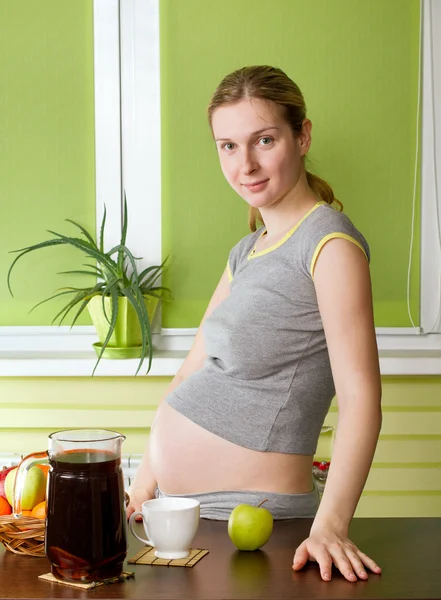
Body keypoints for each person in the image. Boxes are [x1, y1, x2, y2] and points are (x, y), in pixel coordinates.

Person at [127, 65, 383, 583]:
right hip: (182, 516)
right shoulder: (248, 250)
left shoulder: (329, 245)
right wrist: (146, 482)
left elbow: (361, 399)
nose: (244, 164)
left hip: (251, 522)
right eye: (227, 145)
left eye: (263, 140)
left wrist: (331, 526)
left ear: (302, 135)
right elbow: (192, 369)